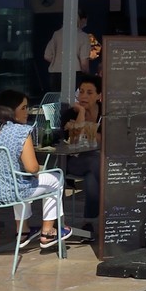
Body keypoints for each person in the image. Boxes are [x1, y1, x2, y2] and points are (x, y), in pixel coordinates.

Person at [0, 89, 69, 247]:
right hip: (9, 191)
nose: (27, 112)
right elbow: (32, 168)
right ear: (10, 110)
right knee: (55, 178)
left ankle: (23, 231)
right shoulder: (20, 132)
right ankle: (48, 232)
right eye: (23, 108)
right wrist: (34, 171)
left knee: (19, 178)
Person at [61, 77, 103, 230]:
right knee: (95, 162)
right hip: (75, 161)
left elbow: (104, 140)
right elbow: (73, 141)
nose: (84, 96)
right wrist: (82, 113)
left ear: (99, 95)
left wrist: (81, 127)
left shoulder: (106, 113)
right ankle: (109, 205)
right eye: (81, 92)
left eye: (90, 92)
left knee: (91, 177)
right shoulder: (70, 113)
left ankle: (88, 223)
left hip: (98, 162)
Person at [43, 10, 93, 89]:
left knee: (57, 99)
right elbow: (84, 63)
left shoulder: (56, 34)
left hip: (55, 75)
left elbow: (47, 56)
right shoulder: (83, 36)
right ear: (80, 20)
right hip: (75, 75)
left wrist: (60, 62)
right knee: (75, 100)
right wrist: (88, 76)